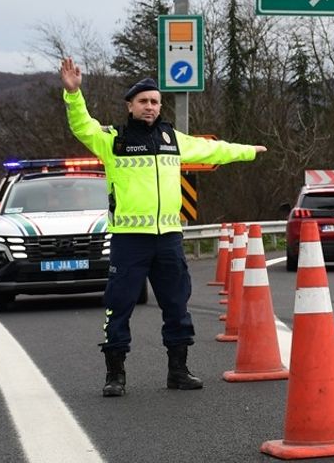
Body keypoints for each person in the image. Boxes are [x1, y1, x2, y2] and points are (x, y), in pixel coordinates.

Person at [59, 57, 267, 397]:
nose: (150, 107)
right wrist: (73, 94)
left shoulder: (172, 138)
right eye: (143, 101)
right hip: (129, 240)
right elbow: (82, 126)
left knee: (176, 304)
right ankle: (115, 375)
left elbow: (213, 149)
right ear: (130, 106)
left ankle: (178, 370)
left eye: (155, 101)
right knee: (120, 305)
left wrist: (248, 152)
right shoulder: (114, 139)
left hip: (168, 238)